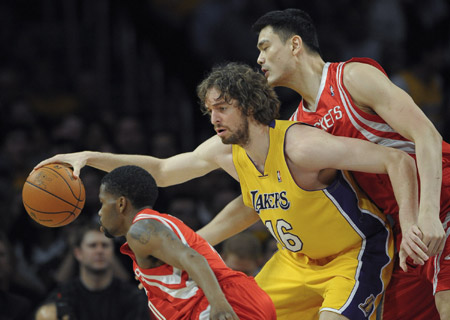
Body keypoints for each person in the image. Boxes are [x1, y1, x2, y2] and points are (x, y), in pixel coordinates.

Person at [33, 63, 426, 319]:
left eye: (222, 108)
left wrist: (410, 225)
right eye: (210, 110)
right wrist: (88, 155)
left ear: (250, 104)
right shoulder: (226, 152)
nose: (214, 118)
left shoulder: (301, 146)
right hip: (295, 262)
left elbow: (398, 161)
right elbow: (162, 170)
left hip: (353, 255)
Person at [248, 8, 450, 320]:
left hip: (441, 200)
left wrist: (428, 213)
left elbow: (427, 135)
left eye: (264, 47)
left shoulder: (352, 77)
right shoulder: (298, 126)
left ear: (294, 45)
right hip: (401, 227)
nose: (259, 59)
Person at [97, 164, 276, 320]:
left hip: (221, 304)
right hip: (241, 297)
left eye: (103, 202)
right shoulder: (159, 224)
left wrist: (219, 305)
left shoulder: (141, 229)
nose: (99, 212)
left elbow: (192, 257)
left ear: (121, 204)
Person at [34, 222, 151, 320]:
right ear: (78, 253)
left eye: (105, 246)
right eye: (92, 245)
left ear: (112, 252)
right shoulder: (62, 297)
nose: (99, 251)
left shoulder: (133, 297)